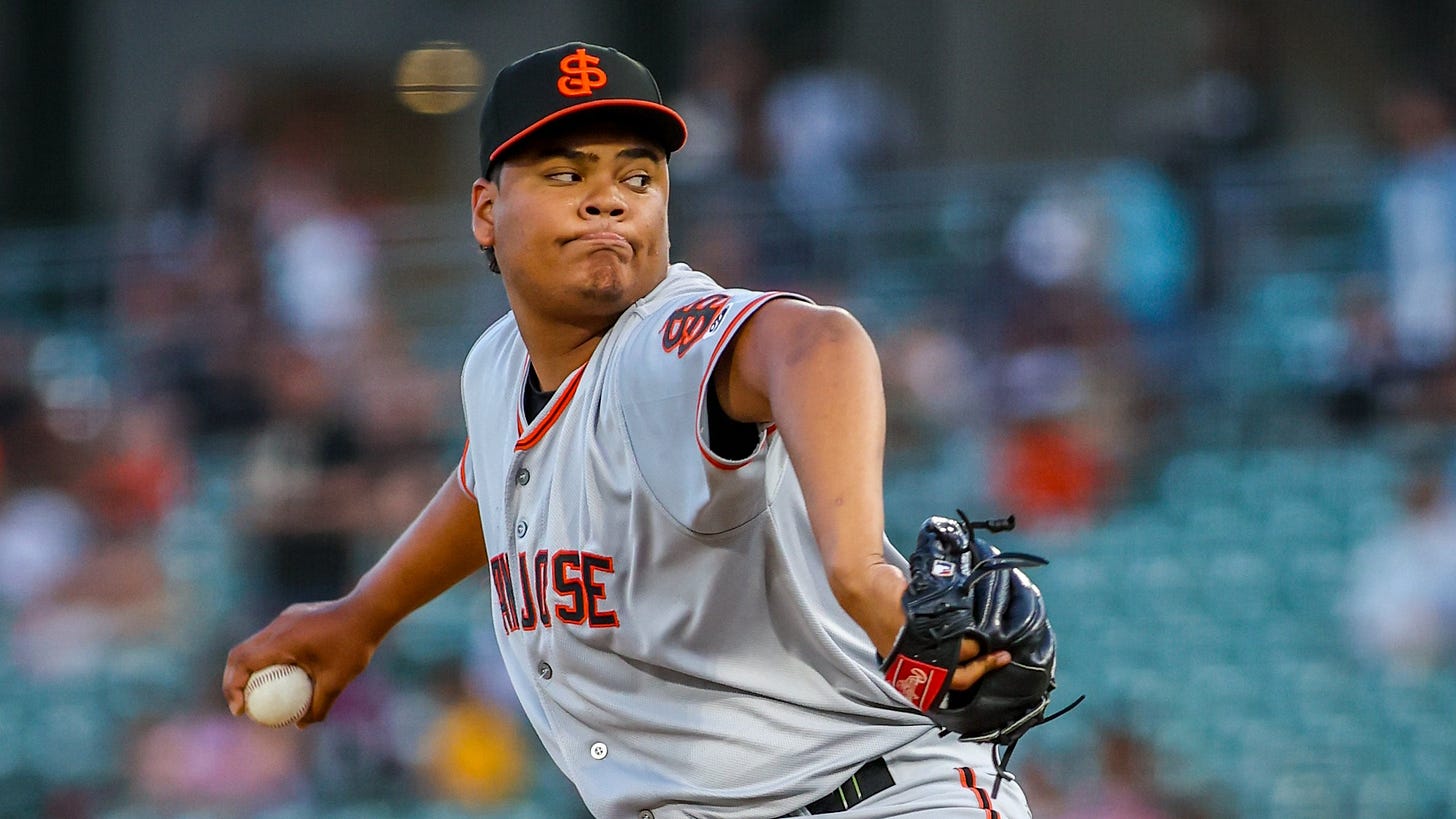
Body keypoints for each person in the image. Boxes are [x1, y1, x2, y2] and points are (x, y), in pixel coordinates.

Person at [223, 42, 1030, 818]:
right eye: (565, 172)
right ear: (484, 212)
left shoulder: (661, 344)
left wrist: (860, 570)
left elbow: (820, 342)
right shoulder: (497, 364)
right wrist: (365, 614)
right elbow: (490, 476)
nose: (607, 197)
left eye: (636, 176)